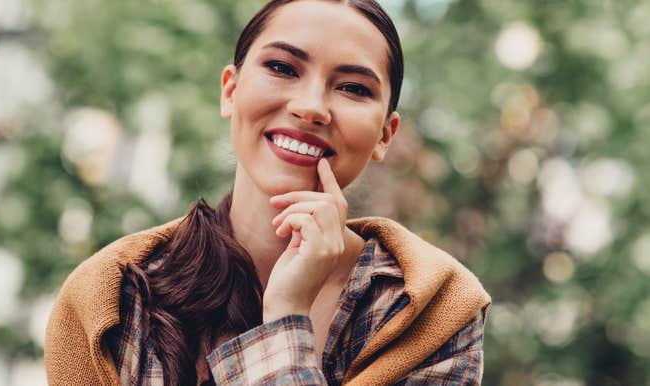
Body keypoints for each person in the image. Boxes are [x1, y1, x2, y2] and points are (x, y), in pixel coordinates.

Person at [44, 0, 491, 385]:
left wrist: (286, 315)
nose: (311, 107)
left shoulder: (433, 310)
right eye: (281, 67)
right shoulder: (114, 296)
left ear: (384, 136)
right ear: (230, 91)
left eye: (354, 88)